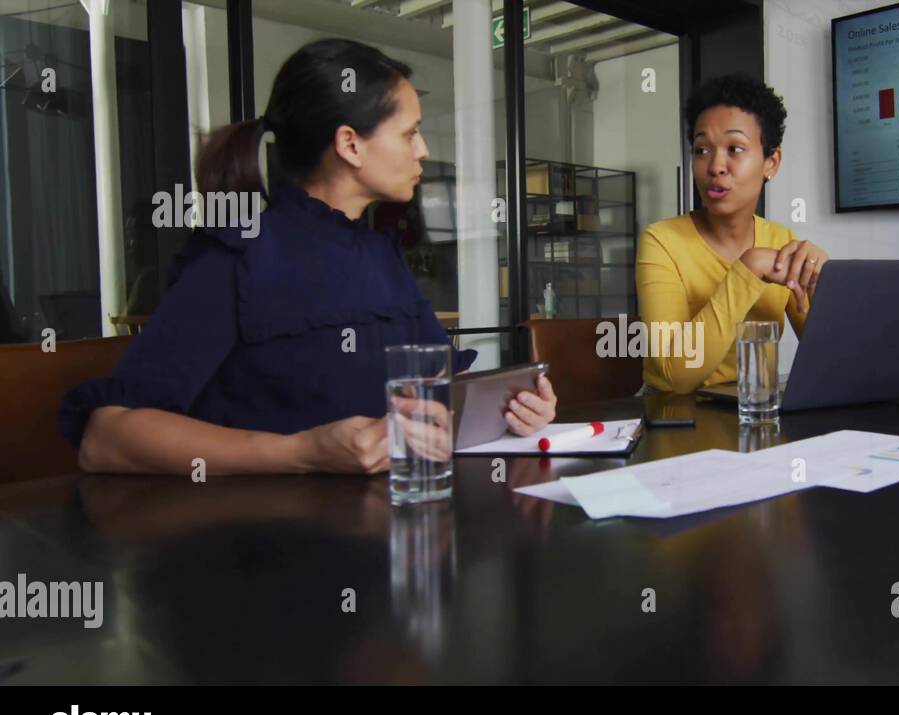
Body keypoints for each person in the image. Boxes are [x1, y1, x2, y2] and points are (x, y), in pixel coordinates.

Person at [59, 39, 556, 475]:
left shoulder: (379, 254)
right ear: (349, 144)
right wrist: (302, 451)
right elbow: (107, 439)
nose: (423, 150)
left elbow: (439, 388)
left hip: (386, 544)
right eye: (409, 133)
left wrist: (512, 407)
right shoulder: (237, 256)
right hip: (265, 560)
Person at [636, 73, 829, 394]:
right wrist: (749, 269)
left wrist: (823, 290)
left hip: (756, 413)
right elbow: (674, 376)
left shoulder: (781, 241)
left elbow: (828, 358)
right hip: (673, 417)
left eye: (735, 148)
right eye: (701, 150)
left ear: (771, 162)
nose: (715, 166)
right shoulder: (661, 241)